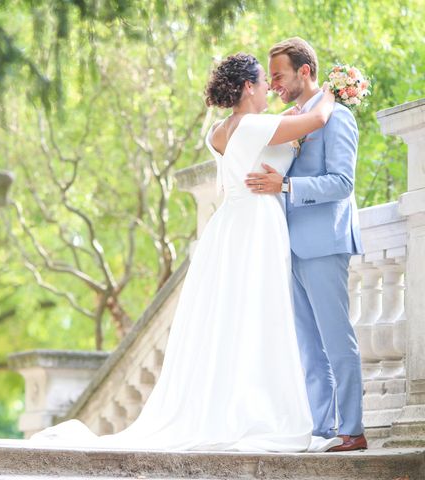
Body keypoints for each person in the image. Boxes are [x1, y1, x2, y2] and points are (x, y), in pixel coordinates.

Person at [29, 53, 342, 452]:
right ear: (248, 87)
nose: (268, 89)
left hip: (229, 226)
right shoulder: (254, 125)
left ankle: (242, 406)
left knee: (235, 320)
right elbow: (316, 120)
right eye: (263, 82)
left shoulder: (217, 130)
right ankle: (260, 413)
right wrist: (333, 92)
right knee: (260, 317)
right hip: (257, 225)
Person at [245, 37, 365, 452]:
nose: (273, 84)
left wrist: (287, 185)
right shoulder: (290, 120)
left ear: (304, 71)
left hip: (325, 242)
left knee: (336, 340)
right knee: (308, 347)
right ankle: (323, 429)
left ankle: (354, 429)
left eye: (278, 75)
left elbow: (342, 183)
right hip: (289, 247)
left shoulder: (337, 118)